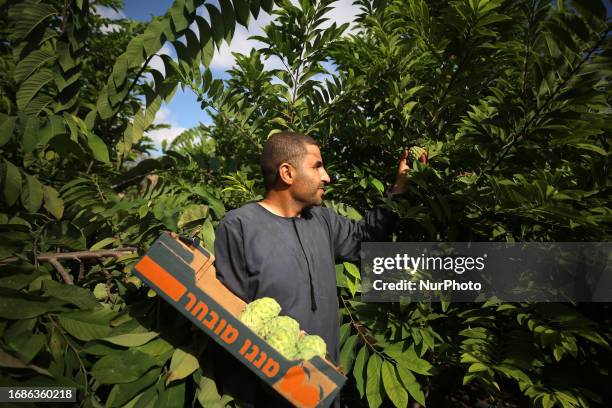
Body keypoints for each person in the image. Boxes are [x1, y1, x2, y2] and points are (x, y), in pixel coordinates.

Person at [212, 131, 423, 406]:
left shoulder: (321, 219)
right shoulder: (239, 226)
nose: (326, 177)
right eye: (317, 166)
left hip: (323, 386)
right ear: (287, 173)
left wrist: (399, 189)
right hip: (271, 393)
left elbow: (364, 241)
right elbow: (230, 316)